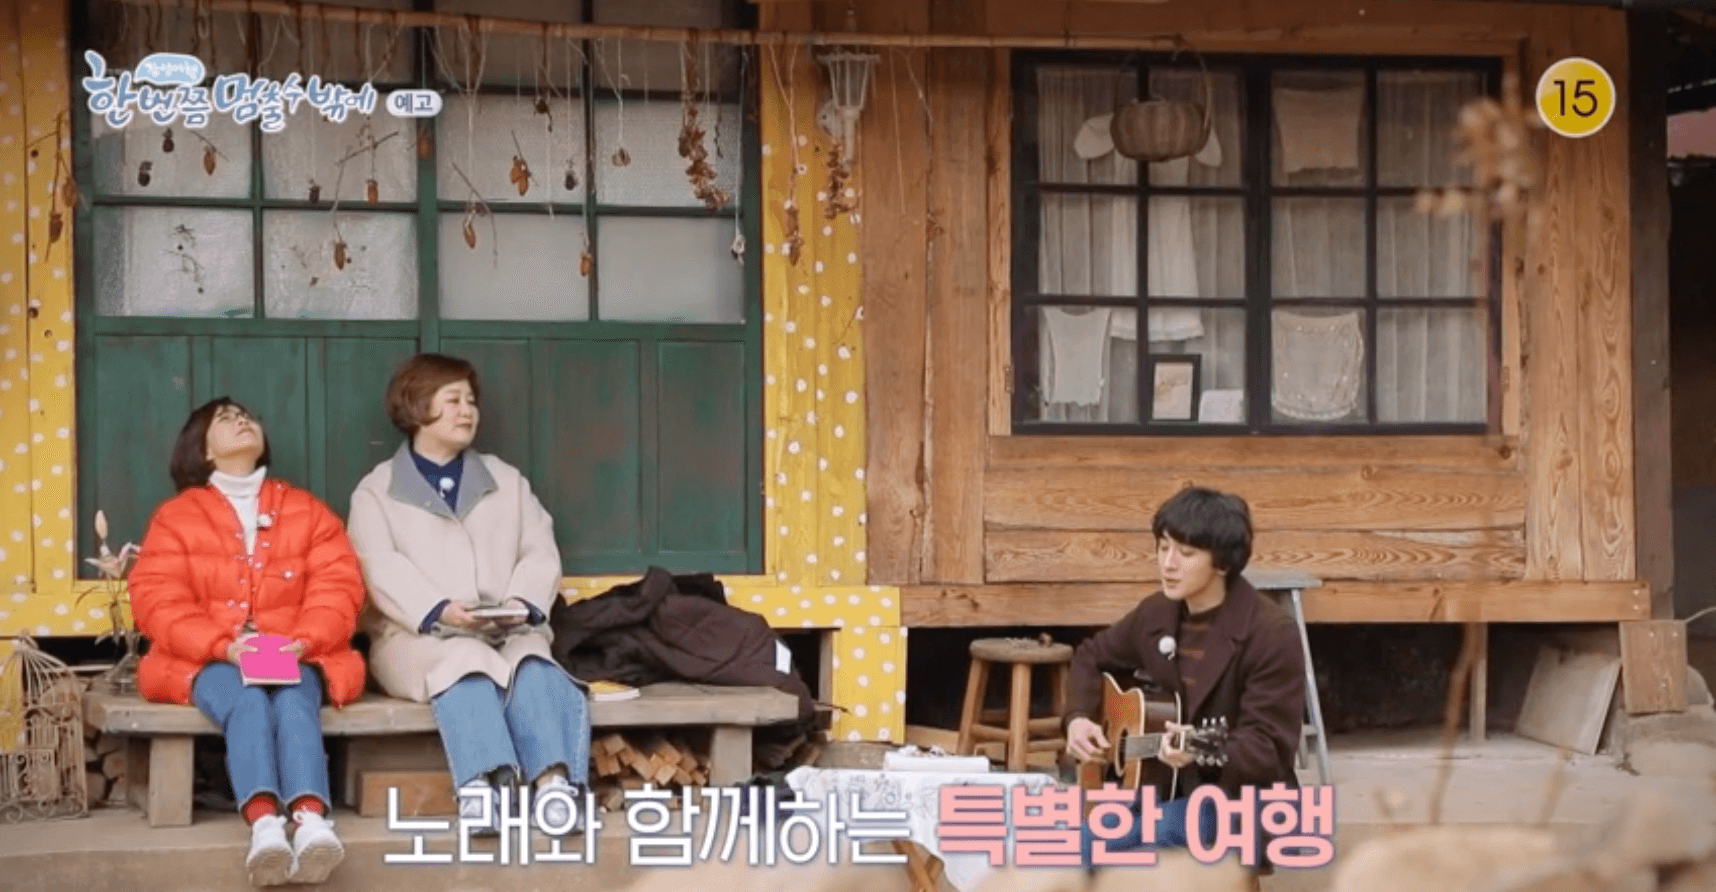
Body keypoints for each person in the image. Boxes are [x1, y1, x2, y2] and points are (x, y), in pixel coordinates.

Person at [346, 353, 591, 834]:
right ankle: (482, 789)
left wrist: (521, 605)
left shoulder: (506, 480)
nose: (467, 411)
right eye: (453, 400)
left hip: (507, 630)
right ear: (416, 406)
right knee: (464, 662)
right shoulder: (376, 490)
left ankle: (555, 785)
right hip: (416, 639)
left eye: (471, 401)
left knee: (533, 664)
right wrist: (441, 611)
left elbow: (539, 549)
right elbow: (378, 565)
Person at [128, 397, 367, 887]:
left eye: (246, 415)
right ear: (203, 450)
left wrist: (302, 642)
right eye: (225, 418)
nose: (241, 420)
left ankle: (311, 821)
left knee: (295, 698)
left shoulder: (306, 510)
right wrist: (223, 646)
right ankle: (264, 826)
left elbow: (338, 588)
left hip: (294, 654)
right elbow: (157, 598)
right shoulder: (176, 517)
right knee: (247, 699)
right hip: (207, 659)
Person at [1062, 486, 1305, 877]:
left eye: (1186, 553)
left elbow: (1269, 751)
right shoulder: (1156, 613)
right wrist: (1077, 717)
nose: (1168, 564)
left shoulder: (1271, 633)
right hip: (1164, 788)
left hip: (1242, 800)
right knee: (1080, 843)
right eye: (1163, 548)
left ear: (1222, 562)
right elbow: (1091, 655)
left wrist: (1201, 747)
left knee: (1148, 844)